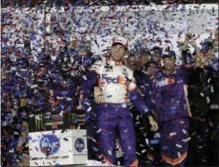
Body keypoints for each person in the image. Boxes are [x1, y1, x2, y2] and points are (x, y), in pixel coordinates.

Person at [81, 36, 158, 166]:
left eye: (121, 48)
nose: (117, 51)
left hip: (124, 112)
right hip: (105, 112)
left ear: (125, 52)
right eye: (115, 47)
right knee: (108, 151)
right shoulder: (99, 65)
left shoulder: (128, 72)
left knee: (130, 151)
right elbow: (86, 82)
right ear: (110, 49)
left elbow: (135, 97)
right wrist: (95, 86)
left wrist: (149, 115)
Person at [152, 50, 191, 166]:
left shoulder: (182, 73)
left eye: (171, 59)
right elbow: (155, 100)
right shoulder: (157, 78)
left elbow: (190, 63)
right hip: (163, 119)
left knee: (180, 150)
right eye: (166, 59)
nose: (168, 62)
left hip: (180, 118)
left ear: (175, 60)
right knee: (167, 151)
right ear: (163, 61)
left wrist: (185, 48)